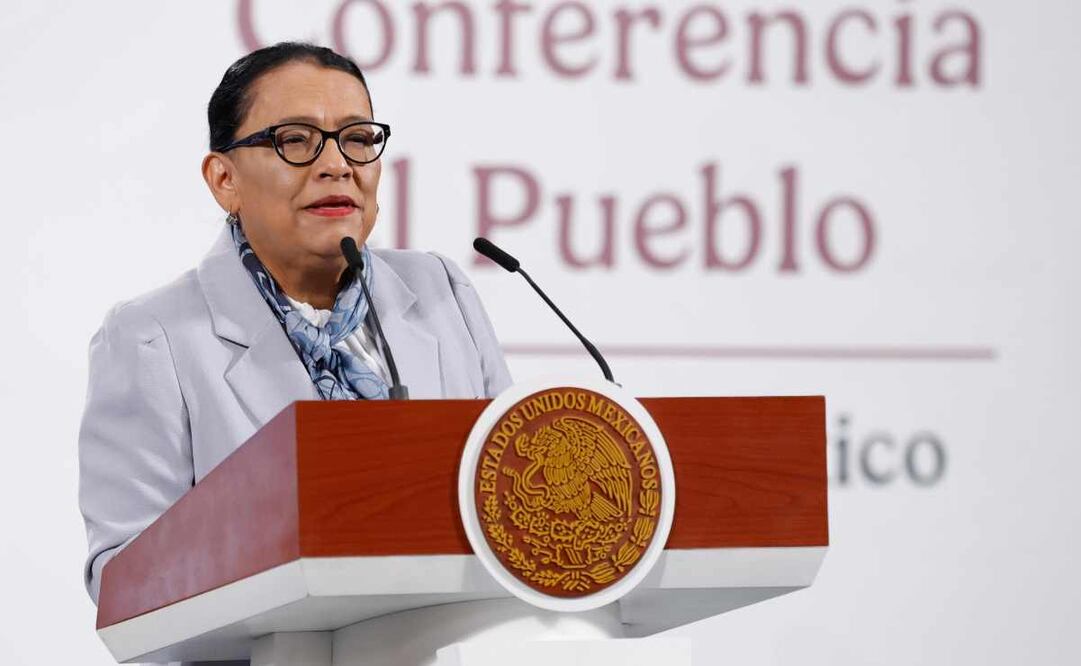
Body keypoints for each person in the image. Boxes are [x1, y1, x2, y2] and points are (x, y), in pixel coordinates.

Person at [78, 42, 512, 617]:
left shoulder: (442, 294)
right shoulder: (152, 338)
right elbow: (123, 584)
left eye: (358, 138)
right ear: (224, 178)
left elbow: (511, 501)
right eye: (296, 140)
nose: (337, 165)